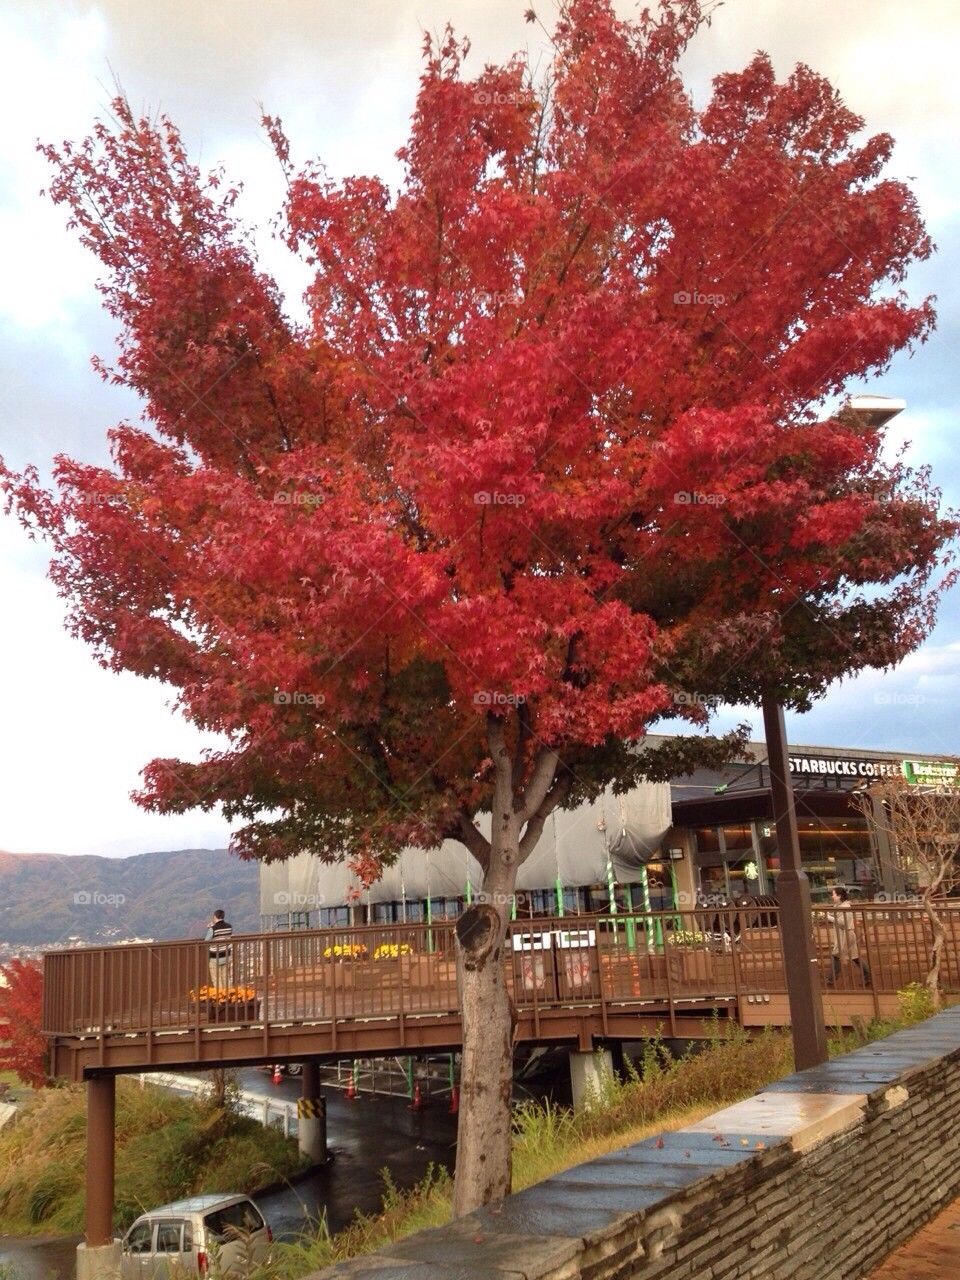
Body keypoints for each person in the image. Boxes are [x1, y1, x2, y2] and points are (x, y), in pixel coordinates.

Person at [825, 887, 870, 986]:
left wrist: (828, 917)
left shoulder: (845, 907)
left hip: (846, 935)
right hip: (846, 935)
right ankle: (868, 976)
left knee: (836, 955)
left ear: (839, 896)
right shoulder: (840, 905)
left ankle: (831, 979)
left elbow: (842, 922)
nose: (832, 896)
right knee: (855, 957)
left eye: (833, 894)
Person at [205, 908, 233, 990]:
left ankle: (220, 997)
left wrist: (210, 928)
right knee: (226, 978)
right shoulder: (229, 927)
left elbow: (206, 941)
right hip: (226, 955)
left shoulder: (213, 929)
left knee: (217, 979)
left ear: (215, 917)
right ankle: (230, 996)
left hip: (215, 957)